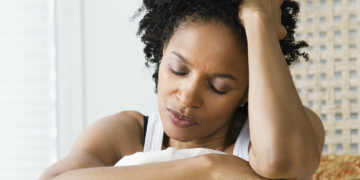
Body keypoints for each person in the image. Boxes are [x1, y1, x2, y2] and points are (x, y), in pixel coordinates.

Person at [40, 0, 325, 179]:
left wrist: (257, 20)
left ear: (249, 91)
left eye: (218, 87)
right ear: (162, 53)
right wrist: (210, 169)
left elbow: (280, 161)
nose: (187, 97)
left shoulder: (292, 131)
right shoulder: (124, 134)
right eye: (178, 70)